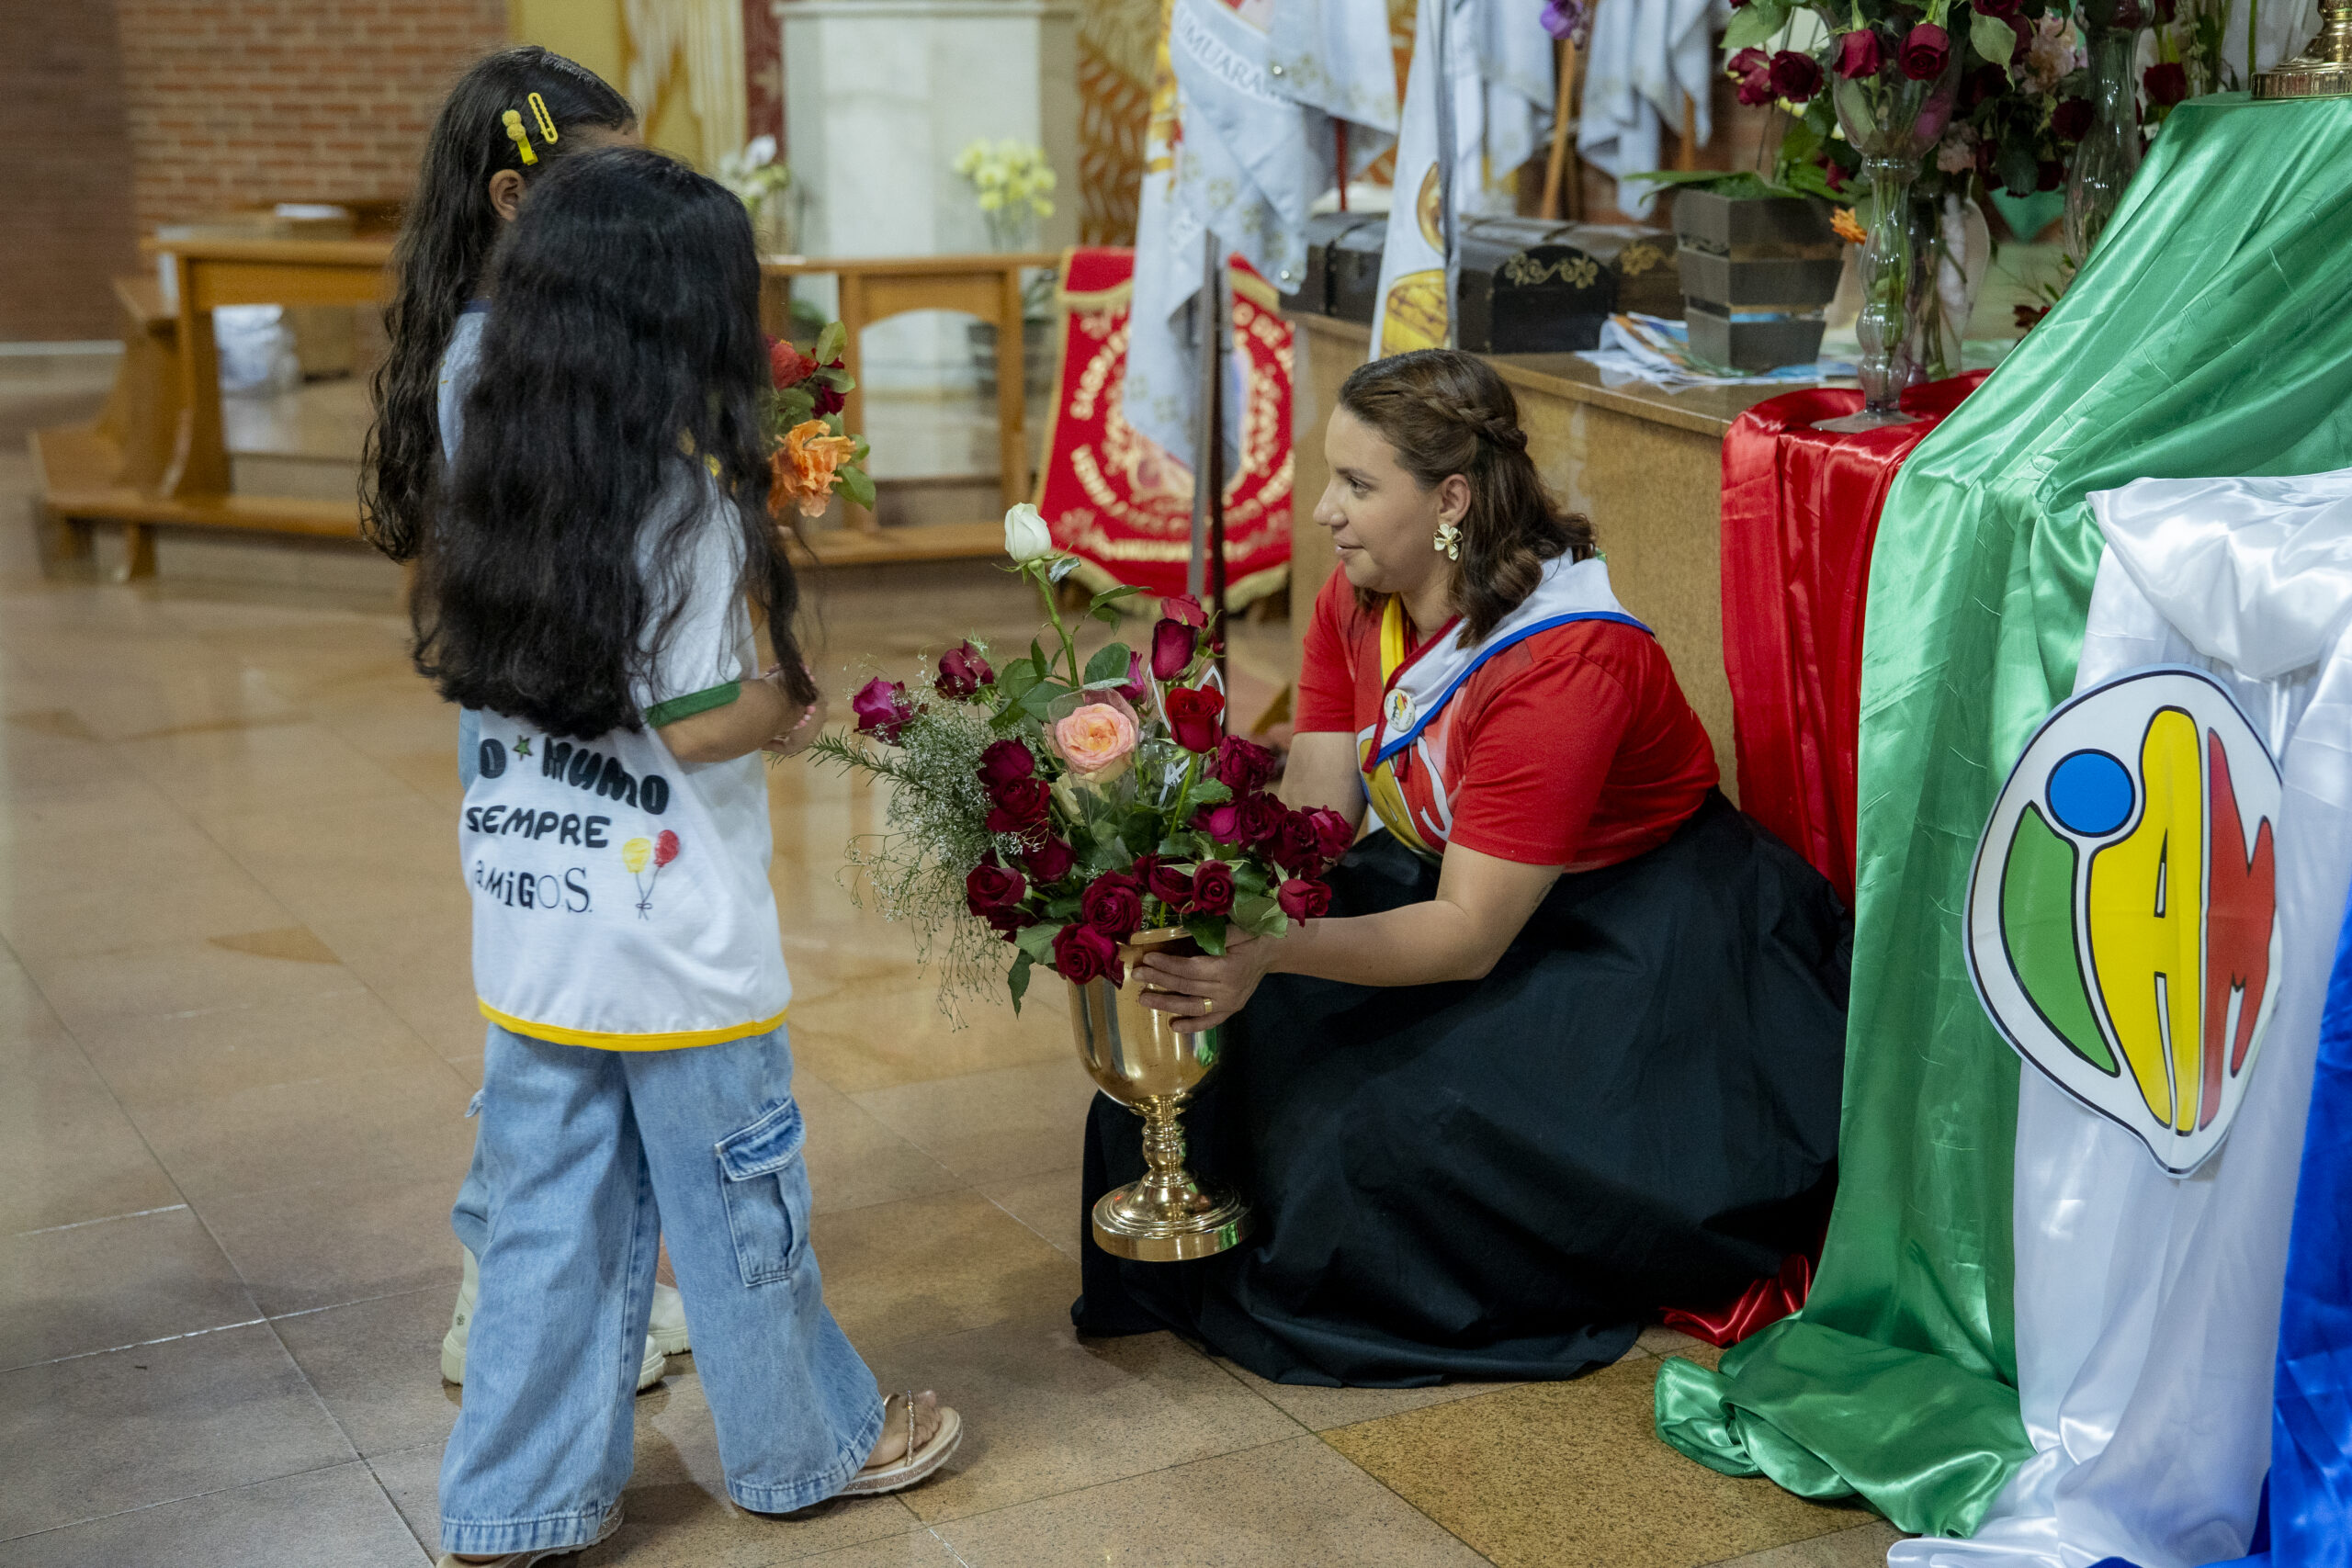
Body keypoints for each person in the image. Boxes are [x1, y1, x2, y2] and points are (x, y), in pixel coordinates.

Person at [1073, 349, 1850, 1385]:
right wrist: (1195, 890)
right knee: (1218, 1042)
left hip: (1639, 933)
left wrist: (1273, 952)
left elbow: (1469, 935)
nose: (1323, 511)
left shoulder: (1566, 659)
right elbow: (1315, 818)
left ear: (1450, 499)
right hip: (1456, 881)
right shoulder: (1359, 597)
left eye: (1357, 484)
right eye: (1331, 477)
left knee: (1376, 1133)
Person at [411, 147, 960, 1564]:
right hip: (676, 945)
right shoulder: (685, 502)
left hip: (535, 922)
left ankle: (512, 1498)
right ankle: (805, 1442)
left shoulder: (499, 476)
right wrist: (786, 701)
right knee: (737, 1203)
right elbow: (701, 719)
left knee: (544, 1216)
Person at [356, 45, 687, 1391]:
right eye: (599, 183)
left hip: (557, 715)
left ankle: (597, 1278)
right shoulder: (493, 358)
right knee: (549, 1022)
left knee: (581, 1009)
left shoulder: (528, 338)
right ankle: (492, 1288)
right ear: (511, 197)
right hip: (549, 727)